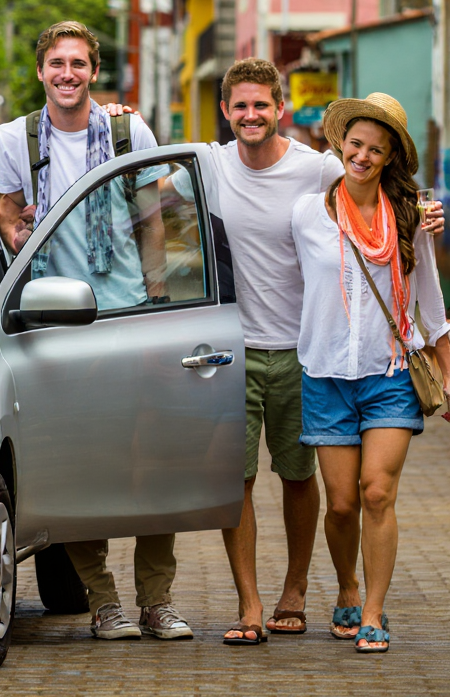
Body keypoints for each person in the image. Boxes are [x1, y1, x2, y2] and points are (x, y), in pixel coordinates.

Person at [108, 60, 442, 646]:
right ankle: (249, 604)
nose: (250, 115)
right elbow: (148, 173)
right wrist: (119, 118)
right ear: (226, 111)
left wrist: (426, 212)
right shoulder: (209, 165)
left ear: (279, 108)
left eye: (261, 104)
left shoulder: (318, 171)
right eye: (240, 105)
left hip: (305, 352)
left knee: (302, 479)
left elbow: (379, 196)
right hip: (231, 350)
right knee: (235, 480)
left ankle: (300, 592)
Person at [0, 19, 192, 641]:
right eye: (57, 63)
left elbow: (153, 218)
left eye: (78, 63)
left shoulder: (130, 130)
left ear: (95, 71)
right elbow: (6, 214)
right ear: (40, 71)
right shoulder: (14, 138)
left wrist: (157, 299)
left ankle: (157, 601)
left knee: (149, 461)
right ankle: (104, 603)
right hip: (59, 319)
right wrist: (19, 237)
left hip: (128, 313)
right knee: (82, 464)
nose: (67, 74)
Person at [291, 93, 450, 654]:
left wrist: (448, 377)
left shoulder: (410, 217)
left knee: (377, 492)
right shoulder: (307, 213)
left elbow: (430, 306)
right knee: (340, 503)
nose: (362, 155)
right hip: (326, 373)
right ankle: (348, 586)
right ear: (341, 146)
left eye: (375, 149)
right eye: (356, 144)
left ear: (388, 158)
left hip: (389, 374)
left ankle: (375, 613)